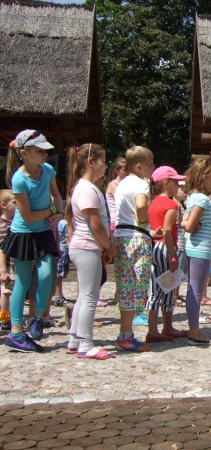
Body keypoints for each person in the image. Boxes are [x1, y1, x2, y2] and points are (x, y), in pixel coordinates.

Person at [0, 130, 64, 353]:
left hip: (43, 232)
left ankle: (37, 318)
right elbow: (27, 216)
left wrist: (59, 212)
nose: (45, 153)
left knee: (46, 275)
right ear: (24, 153)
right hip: (23, 234)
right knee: (23, 281)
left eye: (46, 149)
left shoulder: (48, 170)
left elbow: (57, 195)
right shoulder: (19, 179)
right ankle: (16, 332)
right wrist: (52, 211)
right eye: (39, 150)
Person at [65, 143, 116, 359]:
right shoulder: (87, 190)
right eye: (103, 161)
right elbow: (95, 224)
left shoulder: (85, 187)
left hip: (85, 246)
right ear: (91, 162)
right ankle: (86, 344)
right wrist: (107, 246)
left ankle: (75, 339)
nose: (106, 165)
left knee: (84, 294)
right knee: (89, 296)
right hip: (87, 246)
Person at [113, 145, 158, 352]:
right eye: (150, 163)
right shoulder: (141, 184)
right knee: (136, 286)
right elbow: (141, 205)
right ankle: (126, 335)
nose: (153, 167)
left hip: (121, 236)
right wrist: (143, 221)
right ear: (139, 166)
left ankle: (126, 333)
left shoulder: (121, 184)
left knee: (125, 286)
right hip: (136, 237)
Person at [145, 166, 188, 342]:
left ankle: (161, 327)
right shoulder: (171, 204)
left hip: (154, 247)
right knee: (164, 288)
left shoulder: (153, 202)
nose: (178, 186)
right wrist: (172, 255)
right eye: (176, 182)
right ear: (167, 183)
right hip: (166, 248)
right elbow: (168, 231)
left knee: (162, 287)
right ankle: (158, 329)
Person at [182, 155, 211, 346]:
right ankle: (194, 332)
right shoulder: (202, 200)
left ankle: (193, 329)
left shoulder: (193, 197)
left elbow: (184, 222)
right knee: (196, 290)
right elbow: (189, 225)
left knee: (193, 289)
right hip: (200, 249)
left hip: (196, 248)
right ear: (203, 176)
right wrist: (195, 226)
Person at [0, 190, 17, 331]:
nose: (17, 205)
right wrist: (3, 270)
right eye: (14, 202)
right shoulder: (4, 227)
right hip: (7, 266)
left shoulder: (12, 223)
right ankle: (5, 319)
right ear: (3, 205)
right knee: (6, 292)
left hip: (12, 265)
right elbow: (2, 249)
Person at [51, 217, 70, 307]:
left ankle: (55, 294)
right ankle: (58, 295)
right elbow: (67, 237)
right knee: (60, 275)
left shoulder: (52, 222)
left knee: (56, 273)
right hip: (62, 250)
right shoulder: (64, 223)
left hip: (54, 249)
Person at [105, 157, 127, 234]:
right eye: (124, 170)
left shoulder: (125, 184)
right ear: (116, 171)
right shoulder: (113, 185)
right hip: (116, 222)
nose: (127, 172)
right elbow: (123, 201)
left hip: (124, 221)